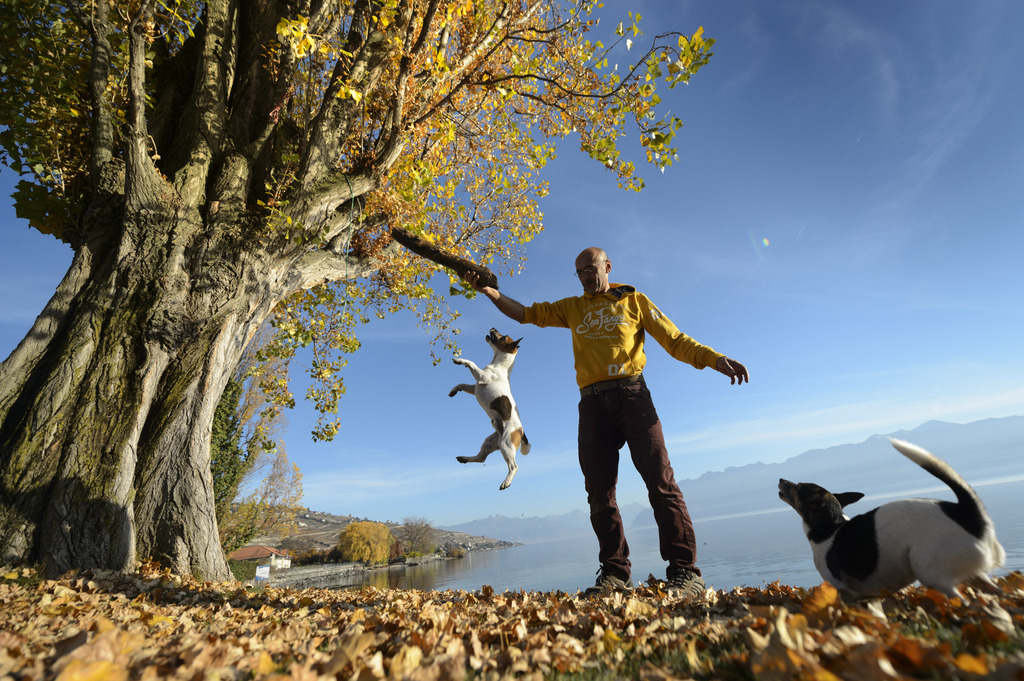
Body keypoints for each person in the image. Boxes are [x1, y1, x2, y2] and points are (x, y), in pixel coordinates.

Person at [462, 247, 749, 597]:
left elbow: (675, 340)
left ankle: (686, 573)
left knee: (661, 482)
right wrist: (488, 291)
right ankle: (615, 574)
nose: (585, 276)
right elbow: (524, 314)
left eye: (590, 269)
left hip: (633, 396)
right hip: (592, 404)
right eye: (579, 272)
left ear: (607, 266)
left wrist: (715, 359)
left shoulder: (634, 301)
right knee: (599, 491)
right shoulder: (572, 307)